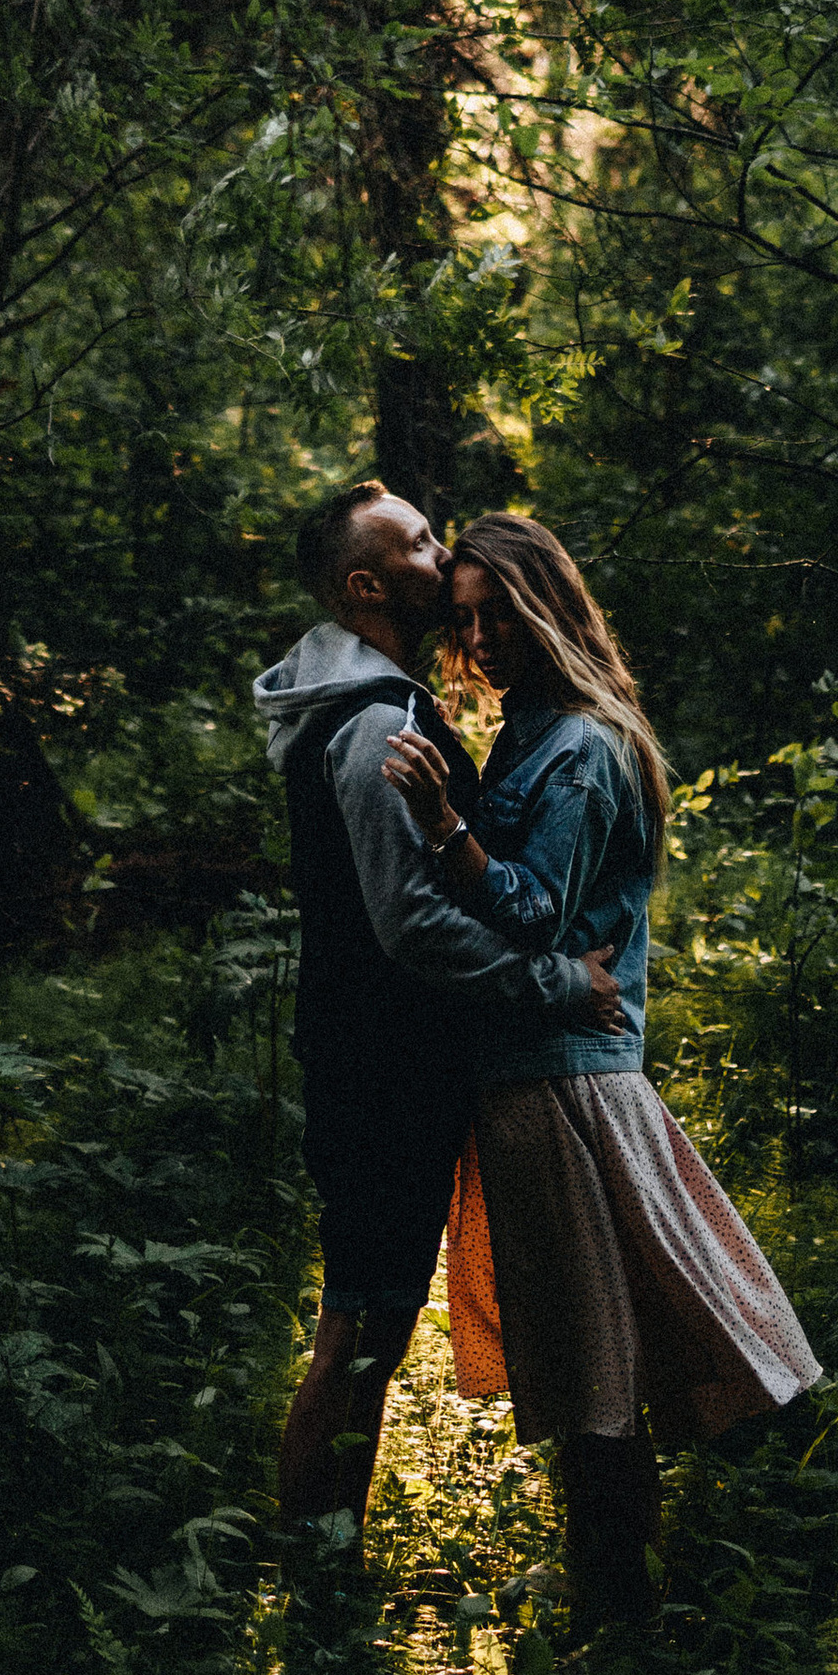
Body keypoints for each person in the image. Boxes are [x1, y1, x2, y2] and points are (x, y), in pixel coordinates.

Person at [383, 510, 819, 1632]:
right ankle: (622, 1600)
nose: (480, 638)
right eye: (464, 619)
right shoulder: (531, 733)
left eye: (499, 614)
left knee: (594, 1374)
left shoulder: (577, 745)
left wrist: (441, 824)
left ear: (548, 607)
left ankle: (621, 1616)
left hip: (563, 1087)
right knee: (593, 1361)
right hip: (545, 1077)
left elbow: (535, 911)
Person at [252, 482, 625, 1538]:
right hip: (381, 1071)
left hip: (377, 1061)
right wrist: (561, 984)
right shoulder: (377, 721)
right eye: (418, 545)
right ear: (366, 586)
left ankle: (323, 1563)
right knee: (357, 1336)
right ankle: (311, 1574)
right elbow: (411, 925)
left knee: (365, 1330)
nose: (442, 550)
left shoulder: (363, 703)